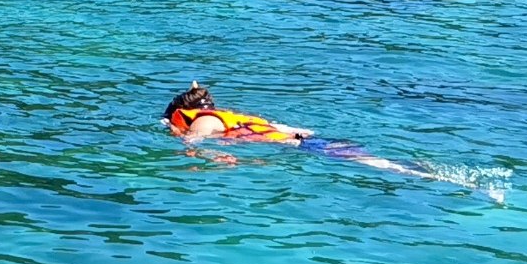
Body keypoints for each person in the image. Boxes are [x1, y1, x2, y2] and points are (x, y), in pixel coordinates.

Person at [164, 82, 467, 187]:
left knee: (374, 165)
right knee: (371, 160)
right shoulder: (228, 117)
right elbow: (293, 128)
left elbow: (194, 142)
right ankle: (423, 171)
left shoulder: (201, 121)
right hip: (305, 140)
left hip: (298, 147)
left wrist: (205, 156)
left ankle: (438, 178)